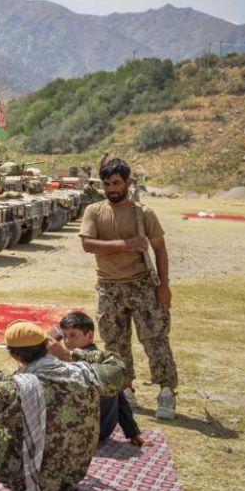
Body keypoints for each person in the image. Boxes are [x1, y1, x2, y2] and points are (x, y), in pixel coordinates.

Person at [0, 320, 125, 491]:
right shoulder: (84, 374)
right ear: (47, 346)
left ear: (14, 355)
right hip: (72, 476)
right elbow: (117, 366)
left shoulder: (11, 388)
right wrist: (70, 355)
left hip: (26, 481)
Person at [79, 157, 178, 419]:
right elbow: (88, 244)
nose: (111, 188)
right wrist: (126, 244)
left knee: (155, 340)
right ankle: (126, 388)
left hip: (142, 286)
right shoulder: (94, 212)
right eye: (106, 184)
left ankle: (167, 391)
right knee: (115, 343)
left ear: (128, 183)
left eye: (116, 183)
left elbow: (160, 250)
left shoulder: (144, 214)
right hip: (109, 288)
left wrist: (164, 286)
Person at [55, 312, 146, 446]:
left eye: (73, 335)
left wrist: (132, 432)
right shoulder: (66, 358)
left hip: (92, 430)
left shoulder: (102, 363)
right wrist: (132, 432)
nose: (67, 341)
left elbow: (120, 399)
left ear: (90, 335)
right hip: (96, 430)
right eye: (64, 336)